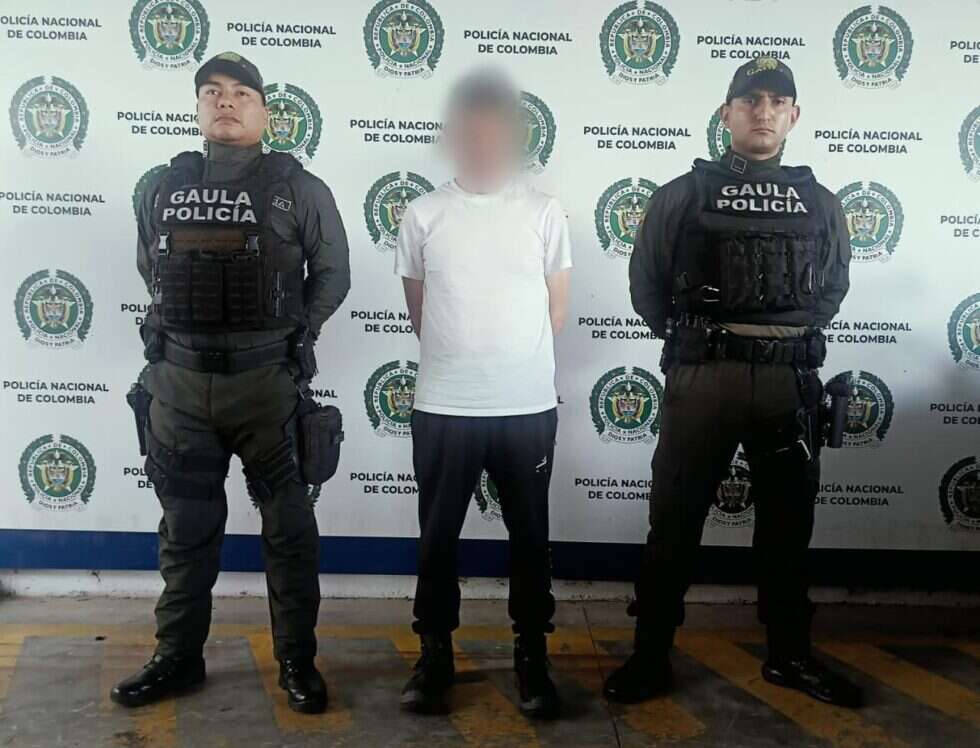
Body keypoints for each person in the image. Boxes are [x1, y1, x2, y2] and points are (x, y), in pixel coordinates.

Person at [603, 57, 862, 708]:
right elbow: (646, 286)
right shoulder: (682, 195)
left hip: (787, 384)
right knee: (674, 523)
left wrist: (780, 340)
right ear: (726, 114)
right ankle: (650, 657)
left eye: (777, 101)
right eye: (750, 101)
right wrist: (700, 344)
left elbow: (832, 287)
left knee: (787, 529)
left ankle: (789, 656)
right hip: (705, 379)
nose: (763, 112)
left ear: (794, 116)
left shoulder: (822, 203)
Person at [111, 52, 350, 714]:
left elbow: (332, 274)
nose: (226, 101)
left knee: (289, 530)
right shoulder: (162, 186)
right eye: (212, 91)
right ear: (197, 108)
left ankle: (297, 661)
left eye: (242, 93)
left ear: (264, 112)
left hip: (265, 389)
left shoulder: (299, 188)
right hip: (180, 389)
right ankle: (177, 657)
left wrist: (297, 334)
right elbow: (151, 268)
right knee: (185, 530)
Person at [394, 67, 572, 718]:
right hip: (445, 406)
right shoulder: (423, 214)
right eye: (471, 128)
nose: (483, 139)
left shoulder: (543, 211)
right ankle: (434, 652)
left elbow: (556, 311)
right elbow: (420, 312)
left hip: (526, 408)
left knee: (530, 537)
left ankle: (532, 653)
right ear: (454, 136)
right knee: (437, 538)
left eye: (495, 128)